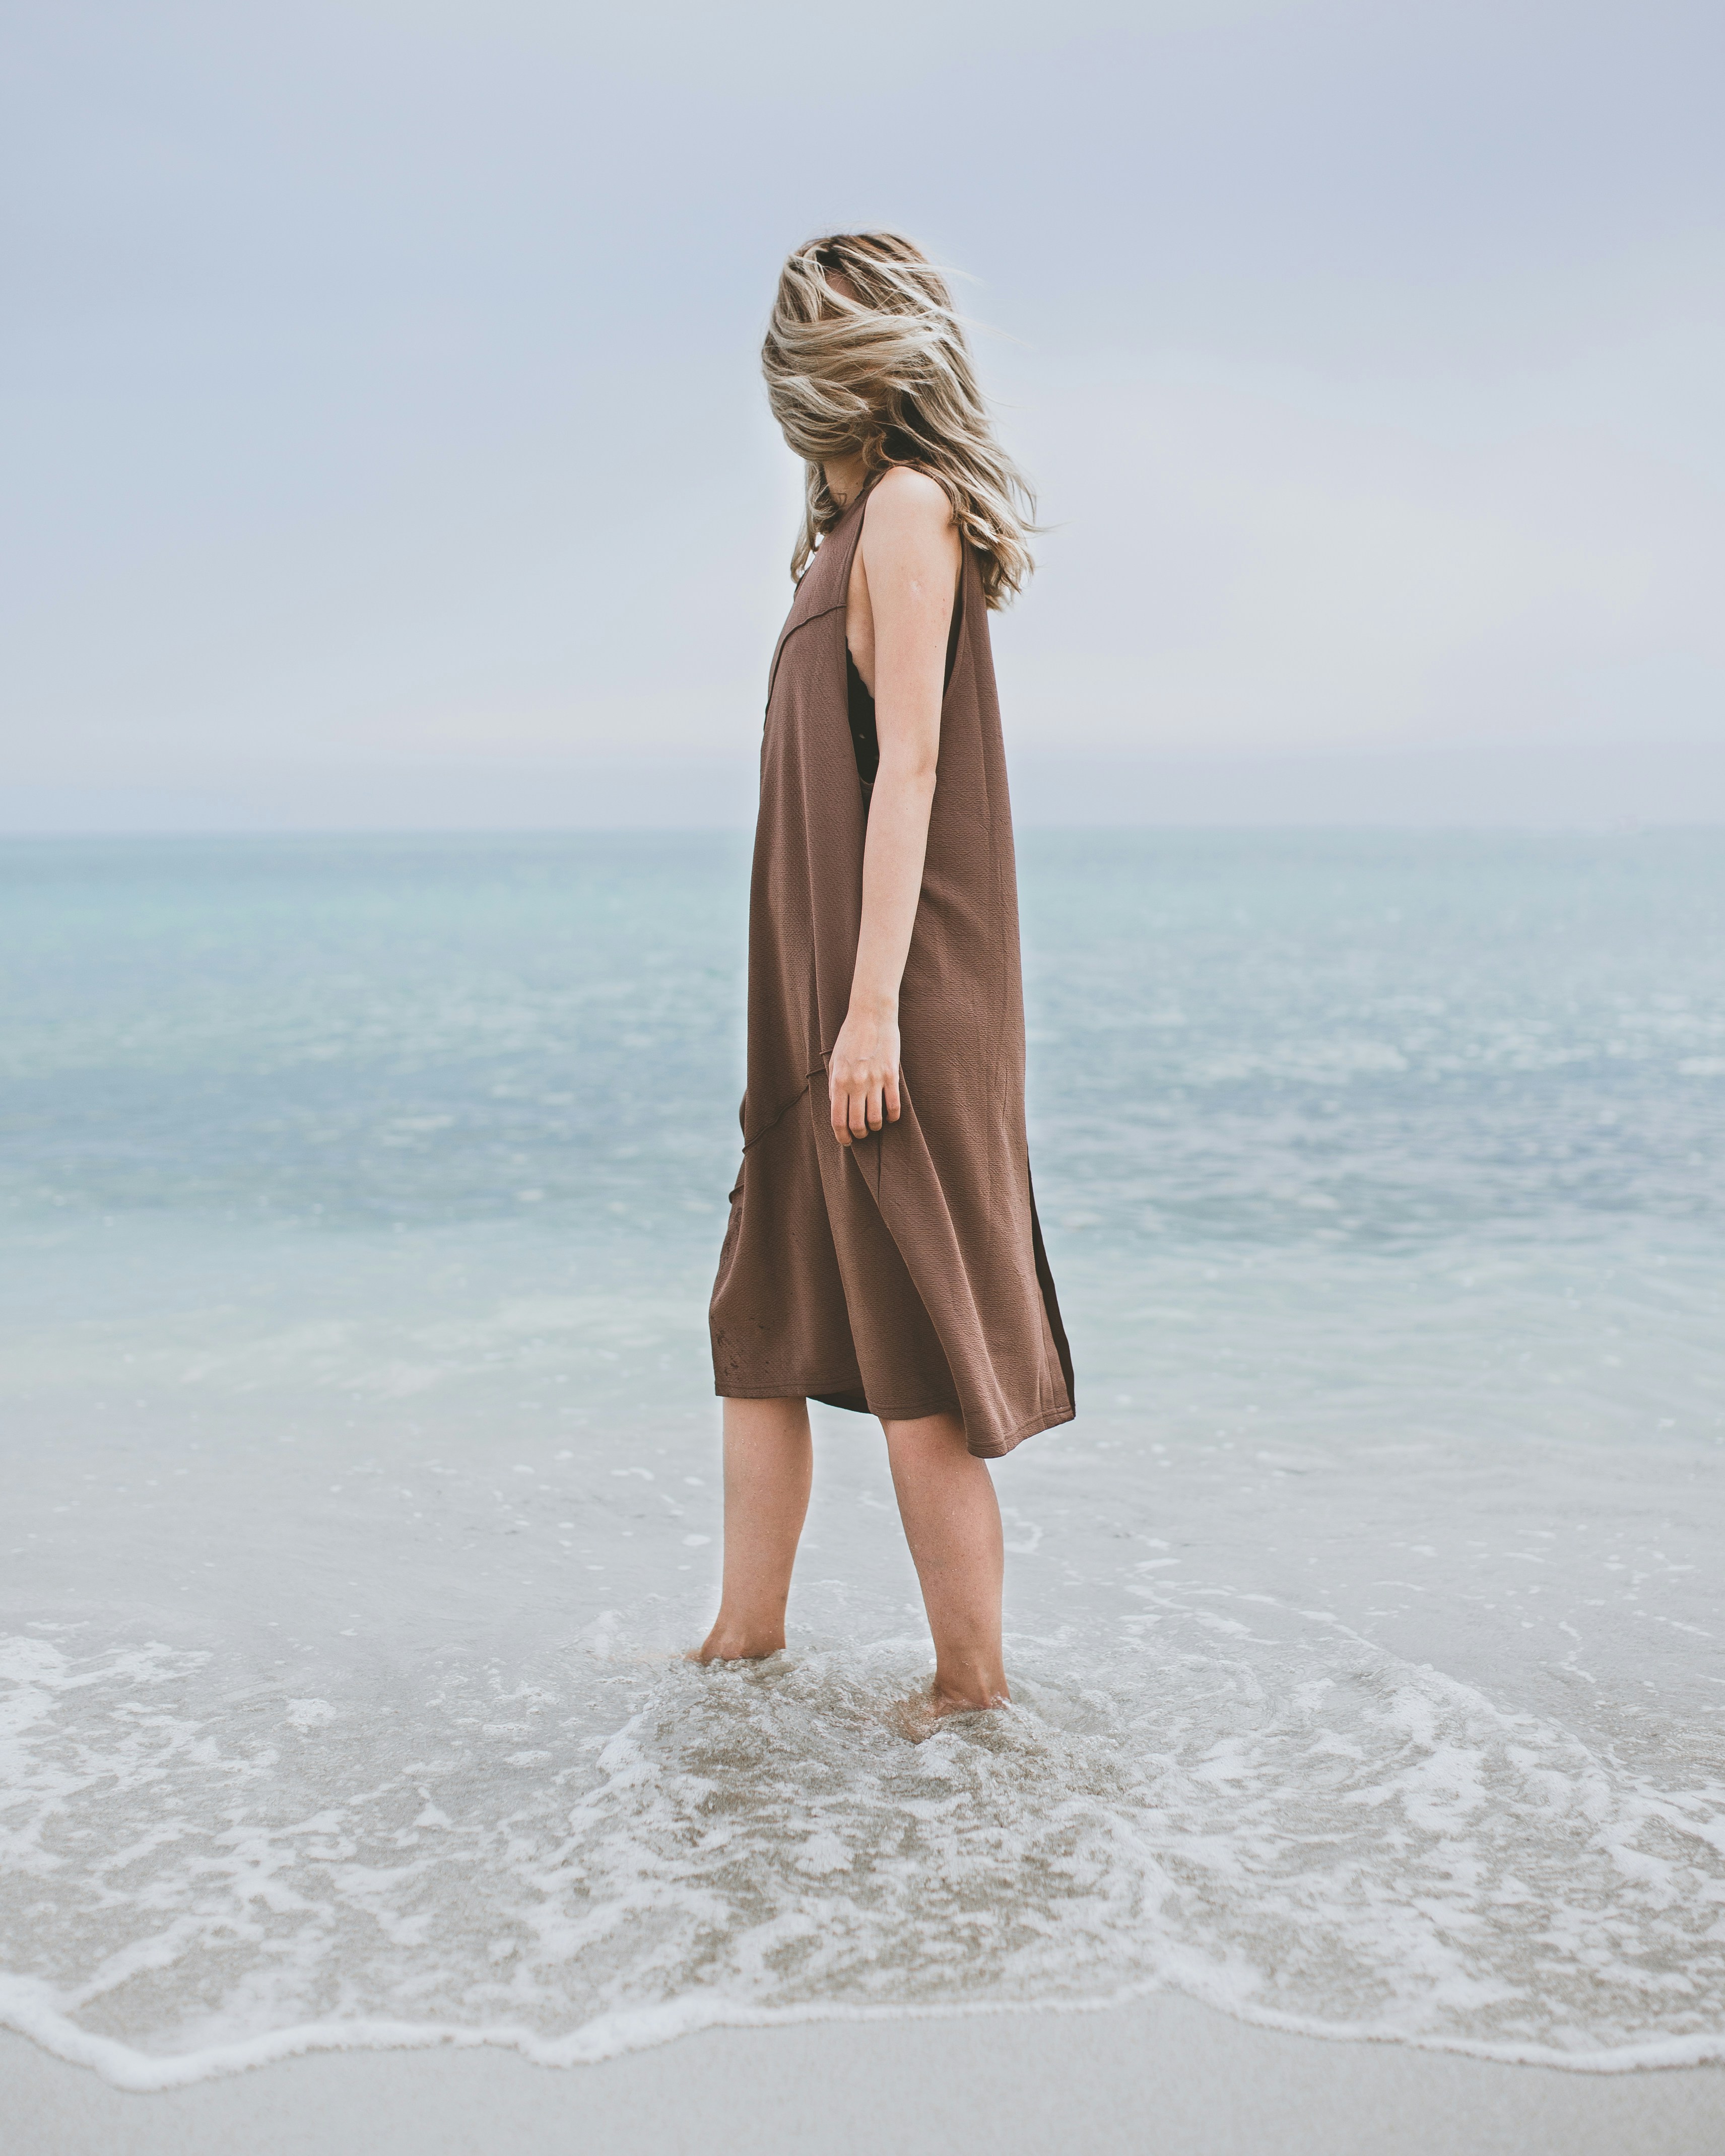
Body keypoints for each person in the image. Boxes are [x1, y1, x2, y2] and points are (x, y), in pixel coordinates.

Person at [699, 232, 1074, 1721]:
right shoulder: (844, 531)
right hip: (818, 1001)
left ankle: (972, 1690)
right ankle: (741, 1644)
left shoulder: (911, 510)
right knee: (762, 1325)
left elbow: (910, 765)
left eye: (831, 328)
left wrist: (869, 1015)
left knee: (914, 1350)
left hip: (893, 1000)